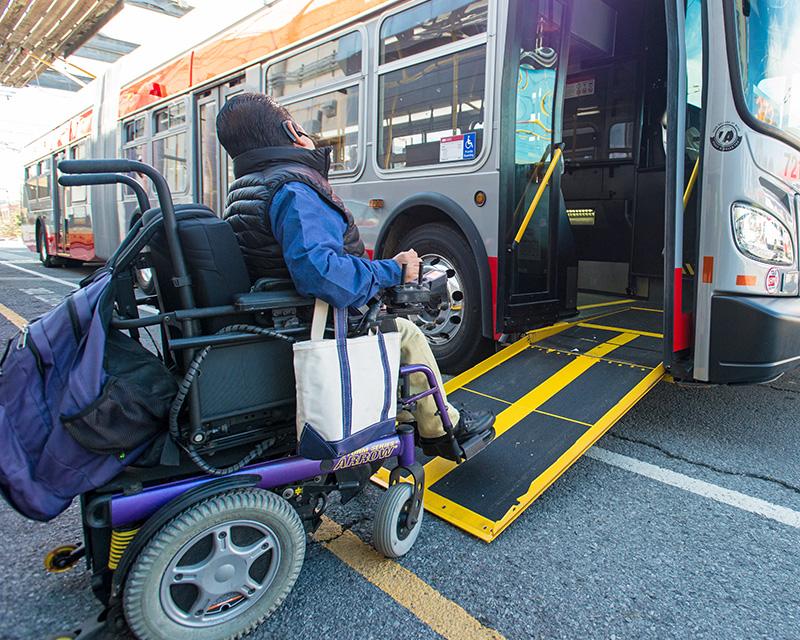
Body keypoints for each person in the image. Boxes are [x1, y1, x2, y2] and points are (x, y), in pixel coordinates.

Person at [216, 93, 494, 461]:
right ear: (292, 130)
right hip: (313, 323)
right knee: (406, 333)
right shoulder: (293, 188)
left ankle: (400, 408)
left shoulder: (246, 188)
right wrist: (392, 269)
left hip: (277, 318)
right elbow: (324, 274)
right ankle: (442, 428)